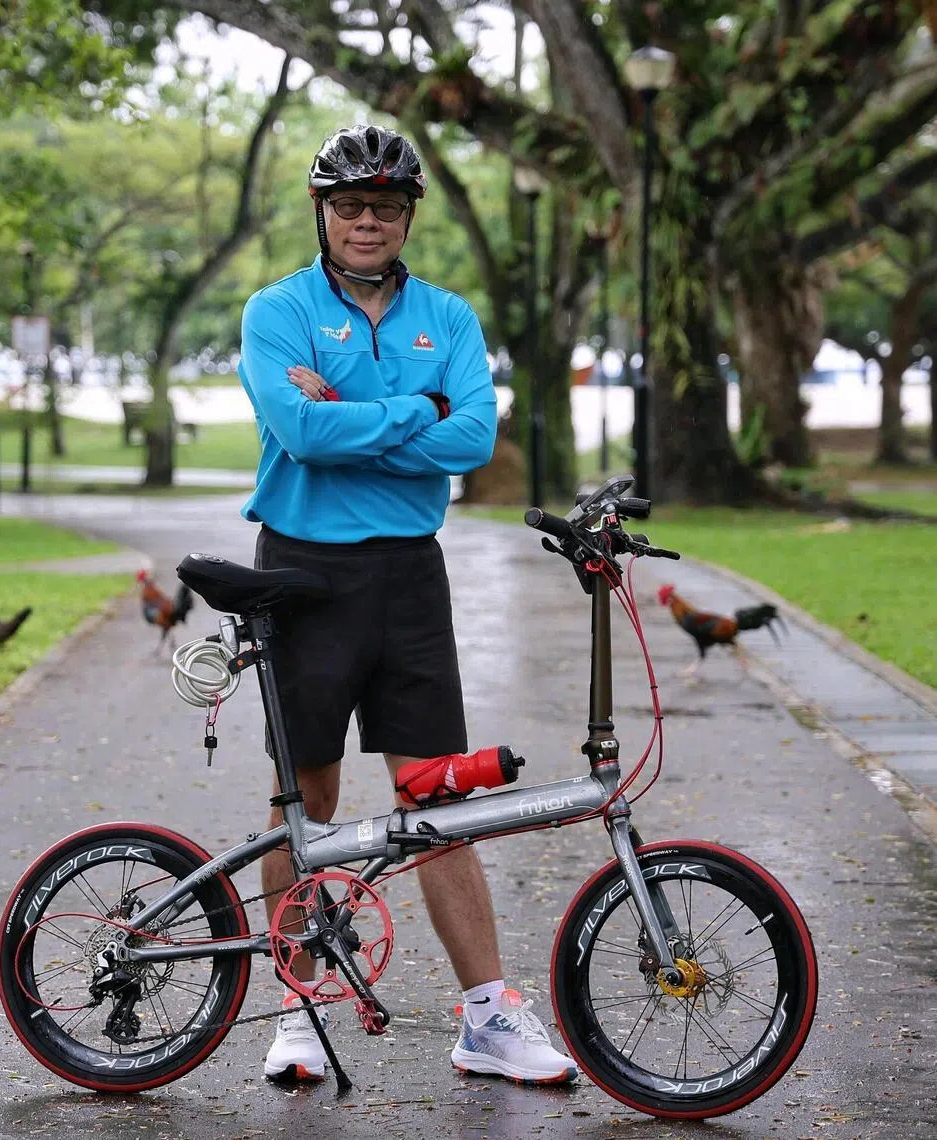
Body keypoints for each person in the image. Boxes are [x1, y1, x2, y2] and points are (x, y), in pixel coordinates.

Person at [236, 124, 577, 1087]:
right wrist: (412, 415)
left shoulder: (449, 318)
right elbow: (298, 431)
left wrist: (359, 414)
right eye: (350, 206)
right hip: (299, 572)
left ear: (408, 216)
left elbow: (473, 438)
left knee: (438, 799)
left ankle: (486, 1018)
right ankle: (297, 1013)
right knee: (305, 800)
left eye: (386, 206)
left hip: (409, 576)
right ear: (324, 214)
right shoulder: (277, 309)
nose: (367, 222)